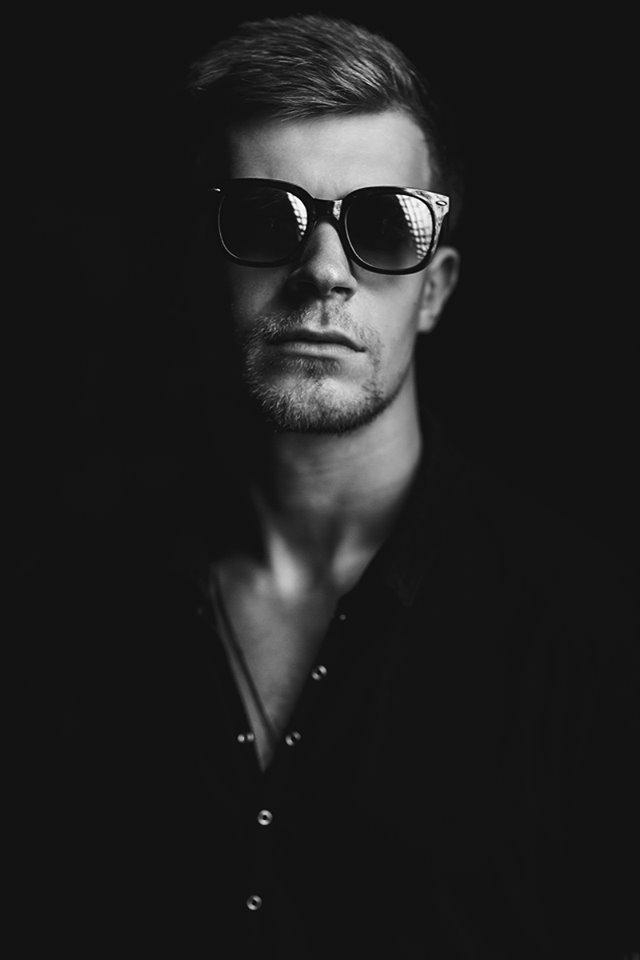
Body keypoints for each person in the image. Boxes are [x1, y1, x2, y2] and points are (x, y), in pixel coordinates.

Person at [24, 13, 638, 960]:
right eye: (263, 219)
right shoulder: (57, 610)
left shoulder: (594, 635)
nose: (323, 273)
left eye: (385, 226)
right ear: (194, 263)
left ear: (436, 289)